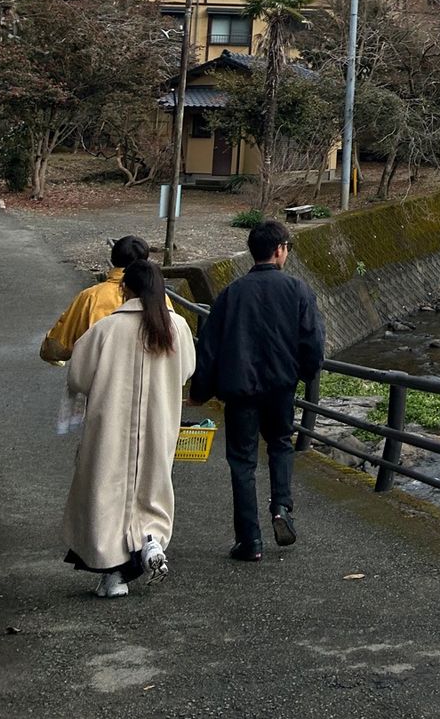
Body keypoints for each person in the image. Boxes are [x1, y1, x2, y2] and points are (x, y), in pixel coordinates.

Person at [190, 220, 325, 562]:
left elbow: (209, 347)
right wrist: (306, 373)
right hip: (280, 386)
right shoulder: (298, 290)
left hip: (240, 390)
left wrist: (200, 392)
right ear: (280, 249)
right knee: (280, 444)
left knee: (242, 461)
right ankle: (281, 507)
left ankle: (249, 540)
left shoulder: (232, 293)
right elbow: (312, 342)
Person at [62, 257, 196, 598]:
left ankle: (112, 574)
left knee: (106, 490)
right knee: (151, 485)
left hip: (111, 426)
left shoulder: (106, 330)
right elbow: (187, 370)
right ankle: (150, 541)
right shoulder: (176, 328)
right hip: (159, 423)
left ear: (125, 289)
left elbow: (78, 376)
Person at [40, 235, 153, 363]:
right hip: (148, 378)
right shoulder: (160, 299)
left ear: (112, 259)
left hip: (101, 377)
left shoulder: (91, 297)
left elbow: (57, 347)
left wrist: (49, 346)